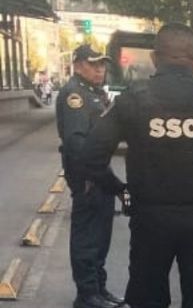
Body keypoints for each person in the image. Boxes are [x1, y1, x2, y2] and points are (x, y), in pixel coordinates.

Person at [80, 24, 193, 308]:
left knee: (148, 300)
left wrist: (119, 190)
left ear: (155, 58)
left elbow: (90, 157)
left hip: (149, 220)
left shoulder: (131, 99)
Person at [57, 45, 123, 308]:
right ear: (77, 65)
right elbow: (77, 145)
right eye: (93, 64)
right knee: (88, 239)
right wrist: (100, 177)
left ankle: (98, 288)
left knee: (101, 238)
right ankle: (86, 295)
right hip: (88, 178)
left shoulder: (94, 93)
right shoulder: (76, 95)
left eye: (102, 64)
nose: (99, 69)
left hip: (99, 176)